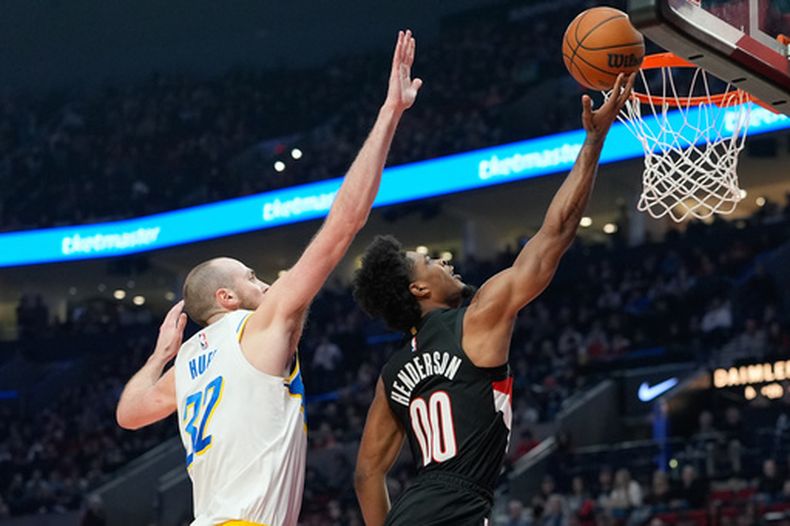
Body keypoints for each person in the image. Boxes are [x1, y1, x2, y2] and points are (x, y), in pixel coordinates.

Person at [115, 30, 423, 526]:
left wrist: (159, 355)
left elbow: (128, 414)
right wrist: (390, 114)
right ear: (226, 297)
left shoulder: (190, 364)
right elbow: (345, 222)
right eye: (251, 277)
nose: (263, 283)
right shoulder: (257, 327)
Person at [351, 73, 635, 525]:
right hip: (456, 510)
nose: (446, 263)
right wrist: (594, 141)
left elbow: (368, 473)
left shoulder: (392, 373)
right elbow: (555, 234)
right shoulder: (476, 318)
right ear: (418, 290)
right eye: (432, 264)